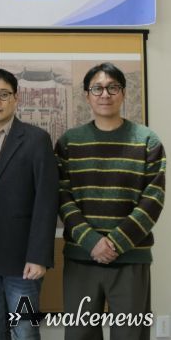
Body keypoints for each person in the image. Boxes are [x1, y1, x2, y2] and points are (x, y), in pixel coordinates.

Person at [55, 62, 165, 340]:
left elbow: (153, 200)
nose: (105, 94)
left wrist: (114, 243)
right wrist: (92, 242)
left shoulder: (147, 141)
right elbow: (62, 197)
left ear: (123, 93)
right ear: (87, 95)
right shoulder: (69, 142)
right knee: (79, 334)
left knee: (131, 334)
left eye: (112, 88)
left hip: (130, 258)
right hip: (82, 257)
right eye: (97, 88)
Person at [0, 68, 59, 340]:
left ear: (16, 98)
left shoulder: (36, 139)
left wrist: (39, 256)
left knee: (25, 330)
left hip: (24, 261)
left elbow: (46, 200)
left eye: (4, 94)